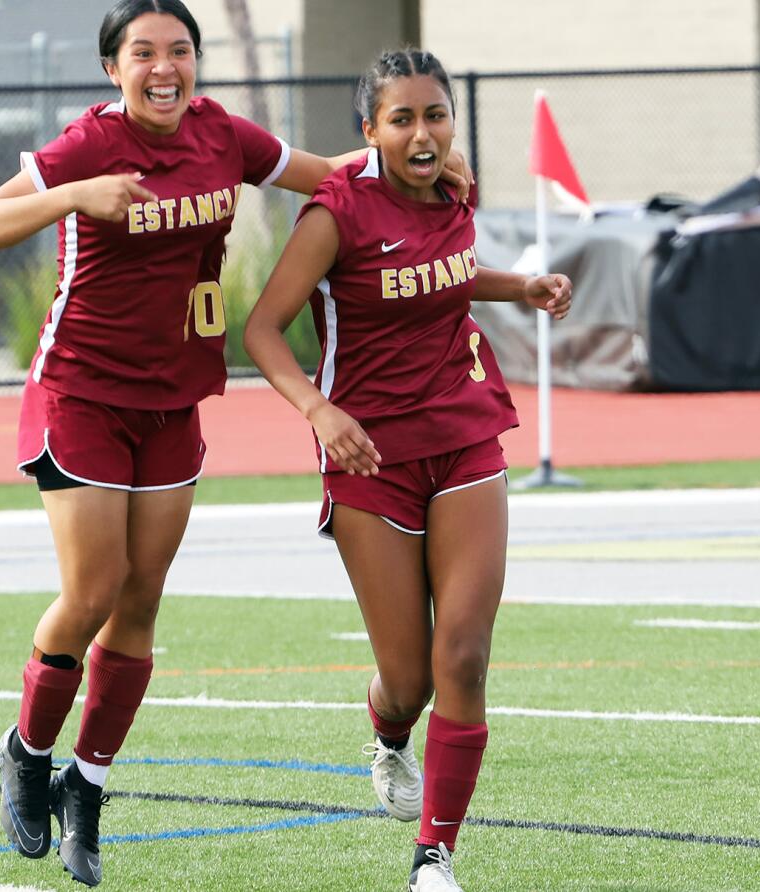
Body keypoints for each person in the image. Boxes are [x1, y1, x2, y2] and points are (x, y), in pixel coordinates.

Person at [0, 3, 472, 886]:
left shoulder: (221, 135)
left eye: (180, 51)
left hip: (173, 402)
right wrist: (75, 195)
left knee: (141, 604)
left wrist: (411, 157)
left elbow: (331, 175)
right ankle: (28, 748)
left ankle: (88, 785)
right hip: (81, 393)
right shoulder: (86, 146)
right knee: (92, 592)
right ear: (112, 69)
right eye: (144, 54)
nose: (165, 68)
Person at [244, 48, 571, 892]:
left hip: (465, 436)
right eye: (402, 119)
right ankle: (389, 738)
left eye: (435, 115)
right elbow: (263, 331)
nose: (422, 133)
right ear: (370, 131)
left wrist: (521, 286)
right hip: (370, 456)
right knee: (411, 678)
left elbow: (446, 278)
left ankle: (435, 857)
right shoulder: (336, 213)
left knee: (463, 654)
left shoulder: (456, 188)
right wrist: (320, 411)